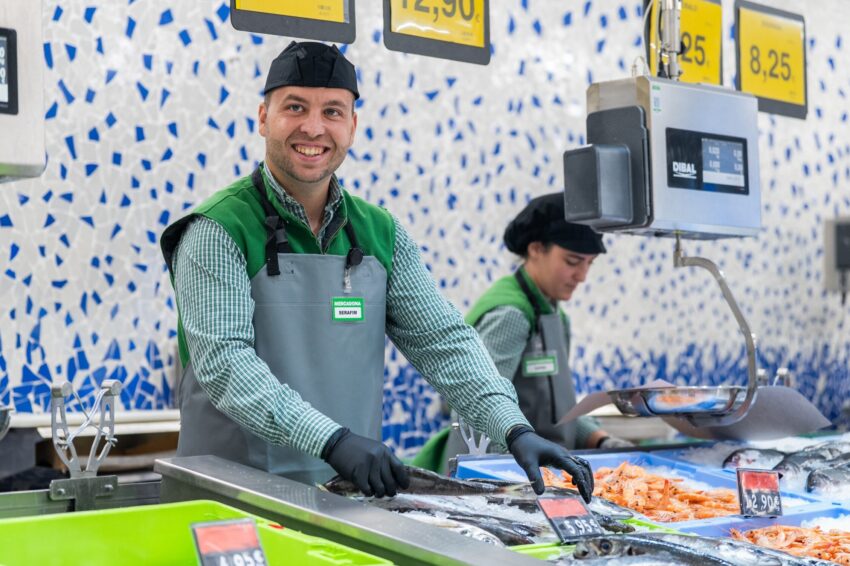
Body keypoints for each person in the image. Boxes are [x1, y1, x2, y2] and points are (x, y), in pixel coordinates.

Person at [160, 41, 593, 501]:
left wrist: (513, 428)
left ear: (352, 126)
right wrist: (332, 441)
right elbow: (226, 366)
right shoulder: (216, 229)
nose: (313, 127)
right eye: (294, 107)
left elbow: (443, 341)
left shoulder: (380, 232)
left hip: (344, 501)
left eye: (332, 111)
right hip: (232, 504)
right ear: (263, 117)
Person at [439, 193, 631, 469]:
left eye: (589, 264)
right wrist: (497, 480)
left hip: (541, 472)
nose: (582, 276)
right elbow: (477, 409)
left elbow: (558, 412)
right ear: (536, 249)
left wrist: (600, 440)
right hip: (506, 474)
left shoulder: (554, 315)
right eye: (572, 262)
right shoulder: (511, 315)